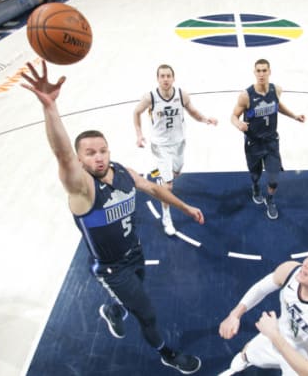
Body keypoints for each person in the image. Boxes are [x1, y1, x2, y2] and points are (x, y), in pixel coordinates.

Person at [20, 61, 203, 374]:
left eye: (102, 150)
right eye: (90, 153)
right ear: (80, 160)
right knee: (146, 314)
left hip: (135, 254)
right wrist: (50, 108)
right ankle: (167, 353)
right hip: (111, 268)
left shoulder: (123, 173)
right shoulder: (82, 188)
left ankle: (113, 309)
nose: (99, 156)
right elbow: (62, 154)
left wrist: (184, 207)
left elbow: (155, 190)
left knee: (133, 301)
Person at [218, 239, 308, 376]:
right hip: (280, 335)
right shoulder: (290, 271)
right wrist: (234, 315)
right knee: (249, 352)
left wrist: (274, 335)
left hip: (305, 361)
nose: (305, 264)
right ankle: (244, 359)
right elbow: (260, 289)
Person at [133, 64, 217, 236]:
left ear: (173, 78)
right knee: (169, 186)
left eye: (168, 76)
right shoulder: (150, 97)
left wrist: (205, 119)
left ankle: (163, 178)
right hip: (160, 145)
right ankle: (166, 217)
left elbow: (193, 112)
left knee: (176, 172)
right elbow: (136, 112)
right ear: (157, 79)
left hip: (178, 142)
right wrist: (139, 134)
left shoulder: (181, 95)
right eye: (162, 76)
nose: (165, 79)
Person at [231, 59, 305, 220]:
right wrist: (238, 124)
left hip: (271, 141)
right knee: (255, 174)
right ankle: (255, 187)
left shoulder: (276, 90)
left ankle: (270, 200)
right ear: (254, 73)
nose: (261, 74)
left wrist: (294, 116)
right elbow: (233, 116)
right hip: (253, 143)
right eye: (258, 71)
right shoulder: (246, 95)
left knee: (274, 179)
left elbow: (278, 106)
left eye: (264, 70)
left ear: (269, 72)